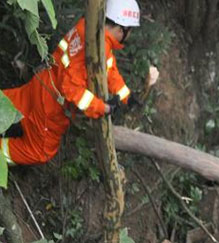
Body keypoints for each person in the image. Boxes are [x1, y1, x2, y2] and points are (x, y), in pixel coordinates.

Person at [0, 0, 159, 165]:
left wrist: (126, 96)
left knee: (9, 105)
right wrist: (102, 108)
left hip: (43, 82)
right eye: (130, 30)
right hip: (51, 105)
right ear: (121, 29)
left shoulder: (87, 28)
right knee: (39, 151)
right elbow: (71, 89)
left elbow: (108, 70)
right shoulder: (97, 47)